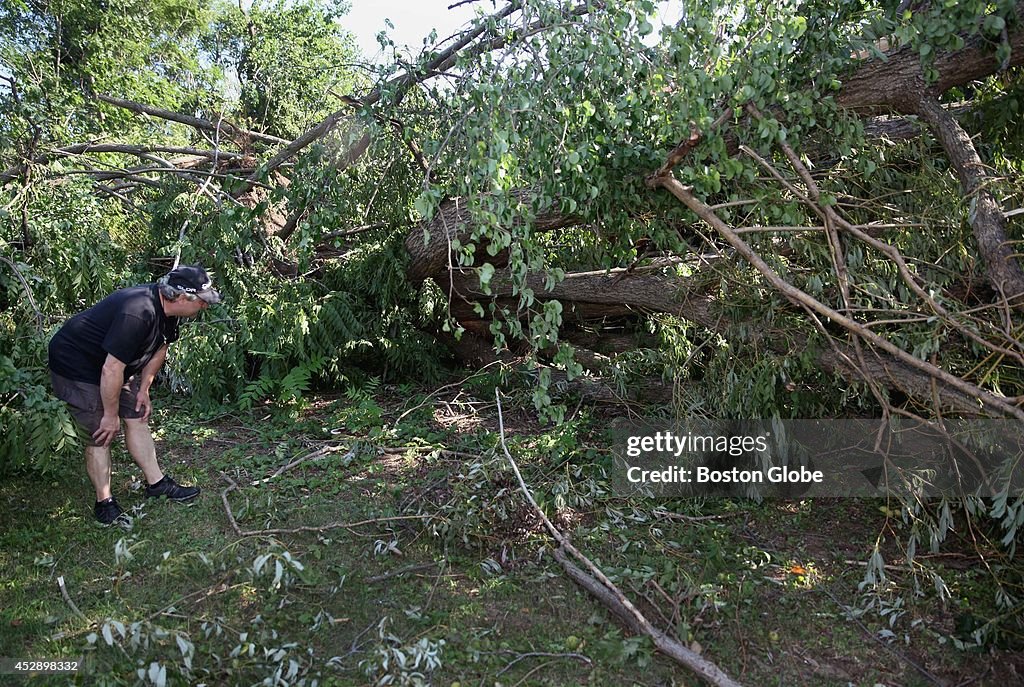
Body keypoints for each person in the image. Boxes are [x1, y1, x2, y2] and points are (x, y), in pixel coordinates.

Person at [48, 265, 221, 525]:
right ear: (184, 298)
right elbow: (111, 369)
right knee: (101, 432)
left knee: (137, 415)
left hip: (113, 364)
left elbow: (161, 347)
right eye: (203, 302)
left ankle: (157, 484)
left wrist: (144, 389)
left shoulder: (169, 311)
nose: (205, 308)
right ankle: (104, 502)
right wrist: (109, 414)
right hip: (78, 363)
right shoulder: (138, 312)